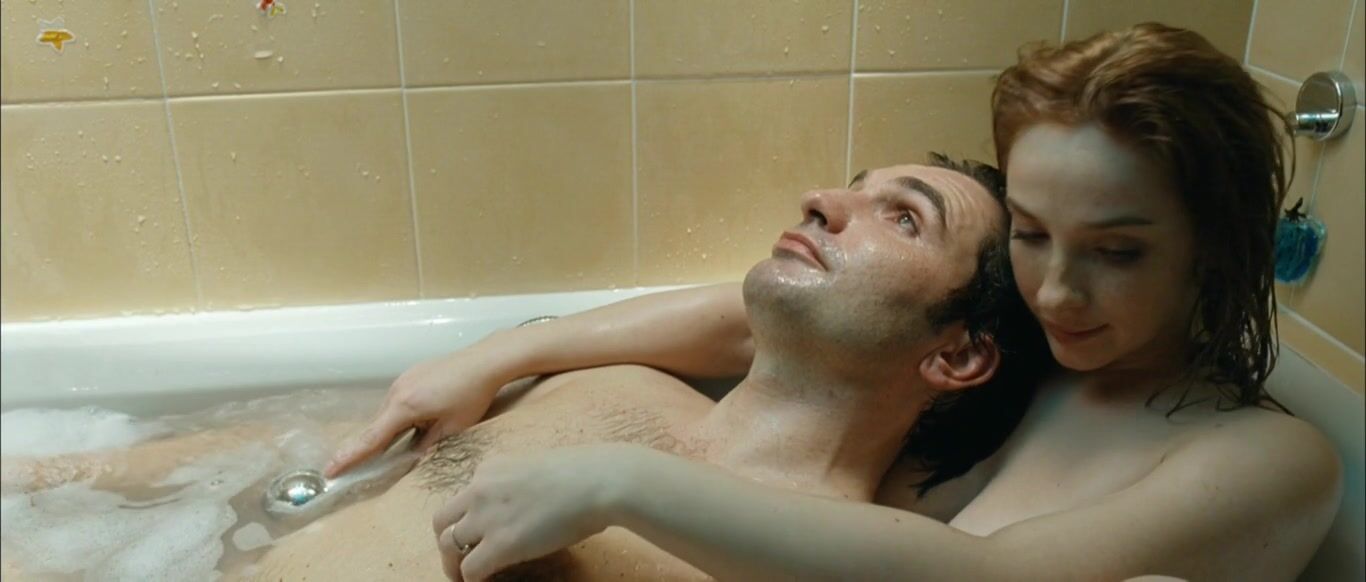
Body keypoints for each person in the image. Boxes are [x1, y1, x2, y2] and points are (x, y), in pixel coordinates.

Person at [329, 23, 1344, 581]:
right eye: (1033, 234)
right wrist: (493, 358)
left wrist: (622, 482)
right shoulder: (1052, 336)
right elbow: (753, 318)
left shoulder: (1261, 455)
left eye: (1117, 252)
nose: (1058, 286)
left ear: (1216, 248)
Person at [4, 160, 1034, 581]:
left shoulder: (824, 562)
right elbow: (299, 465)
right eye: (849, 186)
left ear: (956, 353)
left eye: (902, 219)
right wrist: (41, 476)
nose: (823, 201)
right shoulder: (610, 386)